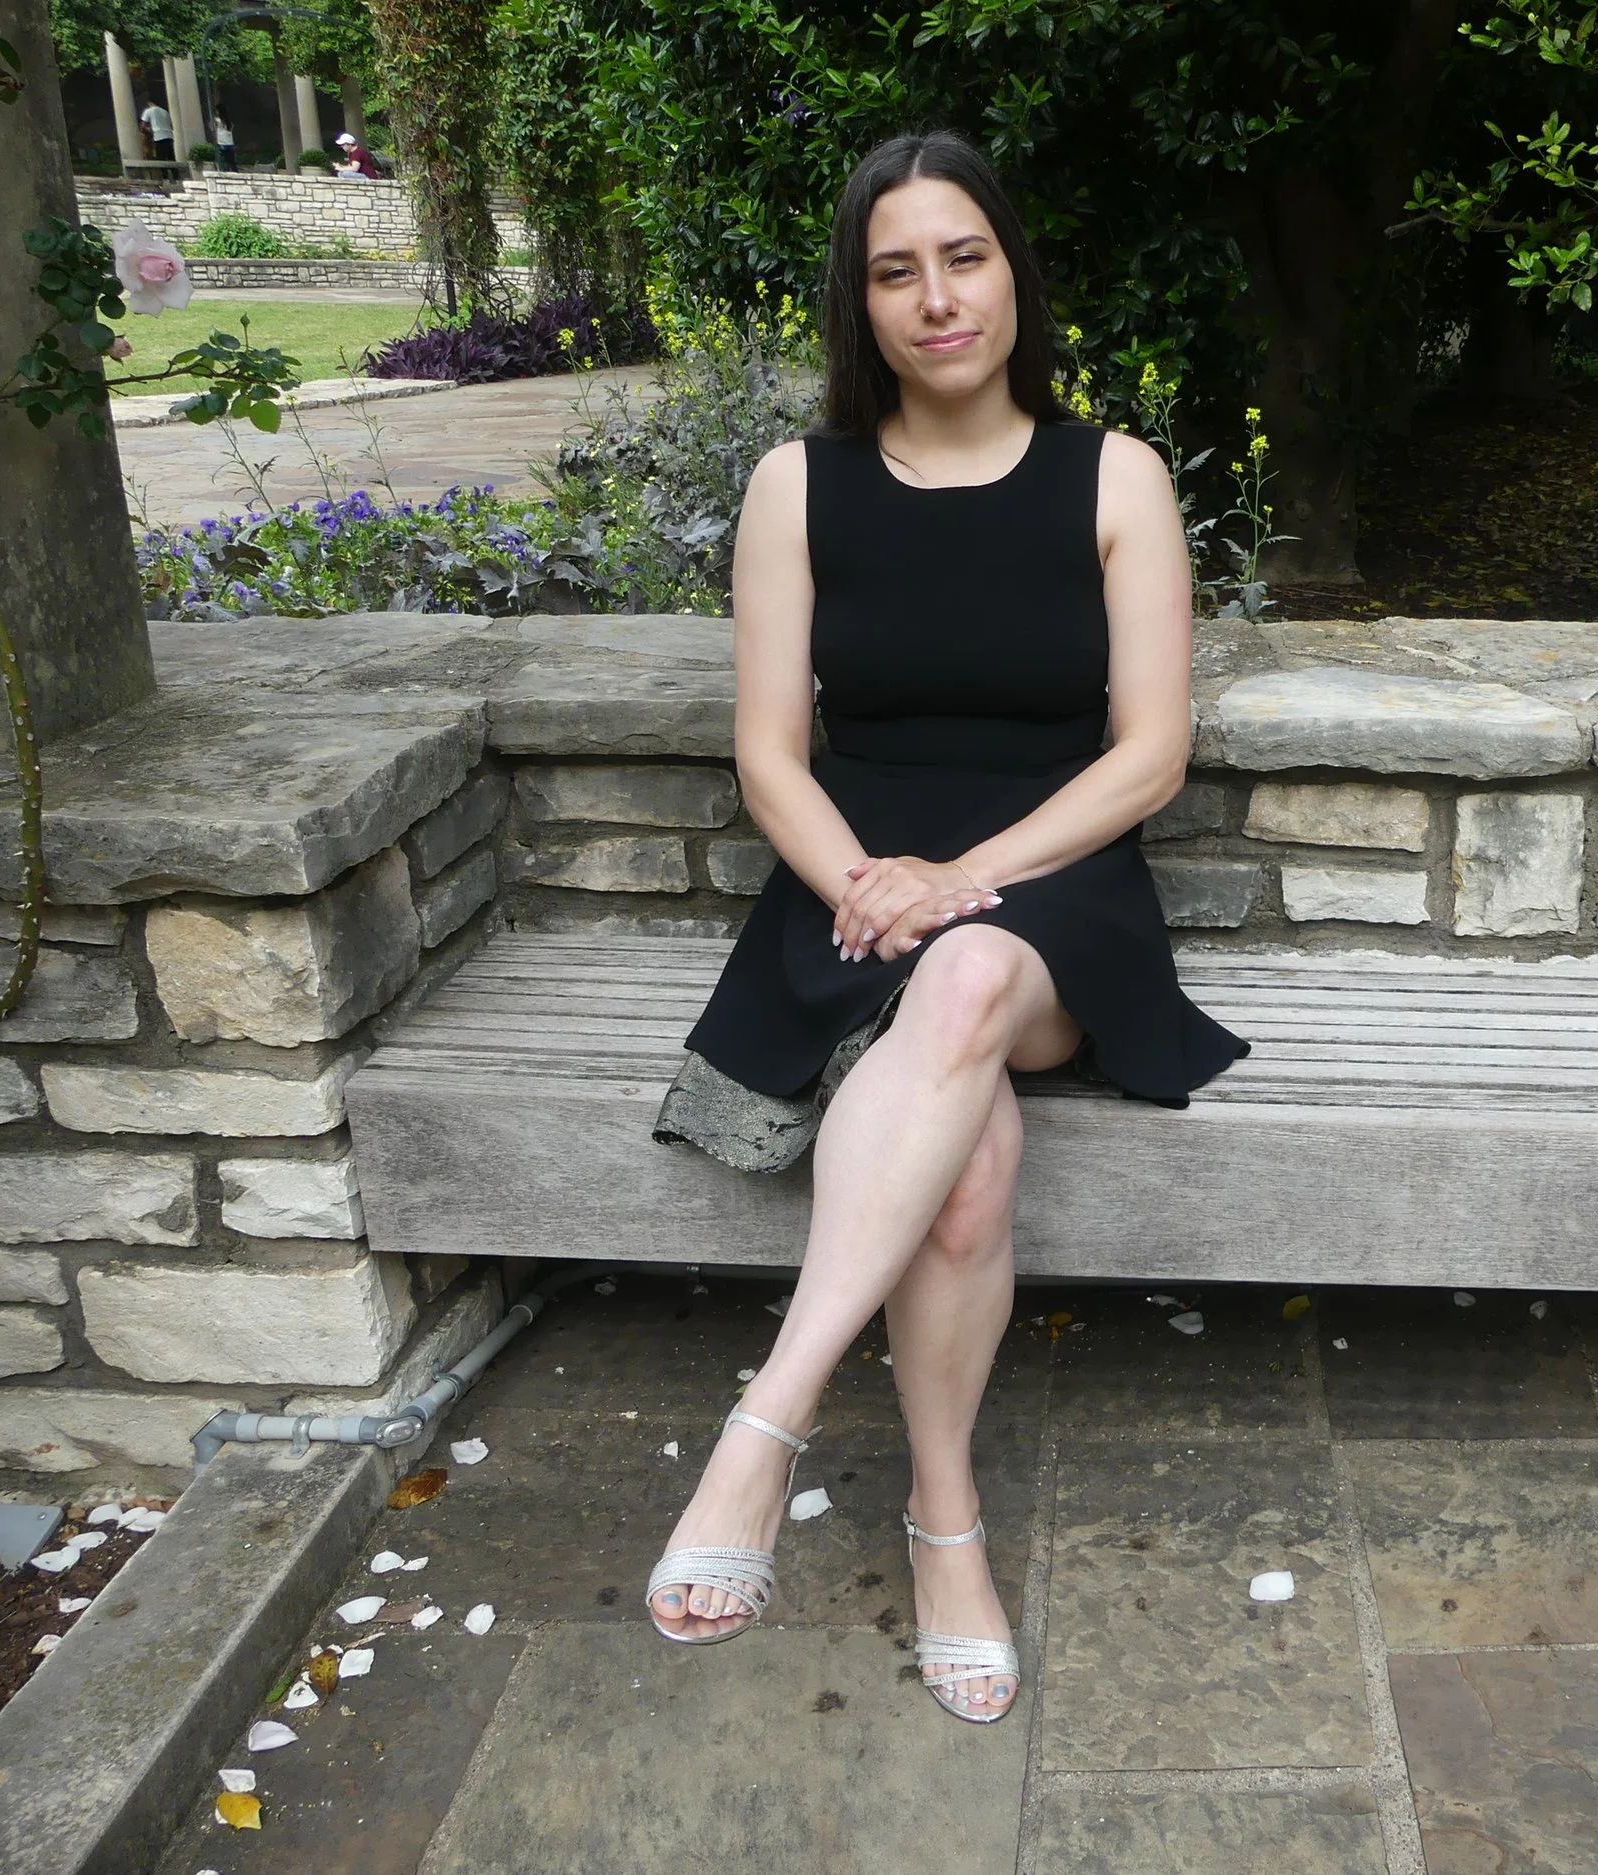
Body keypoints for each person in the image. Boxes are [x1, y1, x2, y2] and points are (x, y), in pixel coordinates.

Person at [641, 129, 1246, 1723]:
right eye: (895, 271)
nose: (936, 299)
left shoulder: (1116, 477)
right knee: (967, 1183)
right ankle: (946, 1525)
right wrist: (866, 880)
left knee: (972, 967)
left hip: (1057, 880)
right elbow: (769, 754)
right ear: (861, 302)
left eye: (963, 258)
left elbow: (1150, 755)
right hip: (850, 876)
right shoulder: (799, 486)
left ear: (1011, 273)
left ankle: (762, 1428)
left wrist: (955, 877)